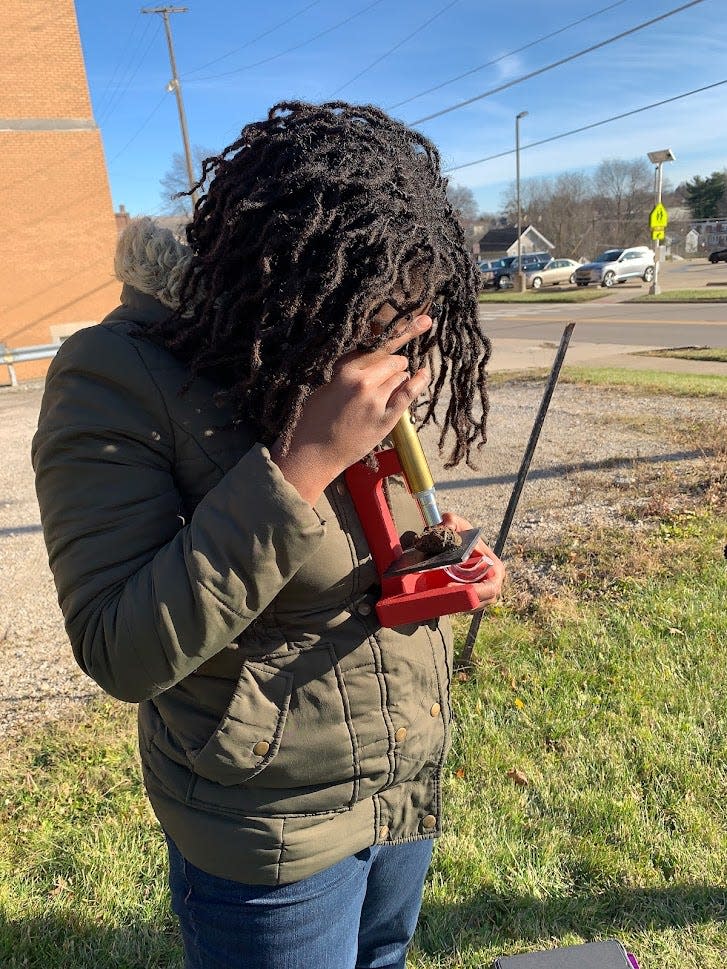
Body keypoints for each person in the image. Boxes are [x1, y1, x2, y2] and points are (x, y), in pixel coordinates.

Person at [32, 100, 505, 969]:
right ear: (294, 279)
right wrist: (301, 462)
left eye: (410, 323)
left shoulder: (321, 349)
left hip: (401, 776)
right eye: (372, 320)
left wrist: (439, 549)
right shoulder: (114, 374)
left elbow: (356, 545)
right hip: (270, 825)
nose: (391, 347)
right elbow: (119, 647)